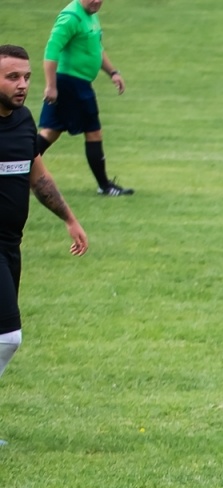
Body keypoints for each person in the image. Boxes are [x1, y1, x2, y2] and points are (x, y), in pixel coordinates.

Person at [0, 45, 89, 406]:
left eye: (26, 77)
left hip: (10, 246)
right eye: (12, 77)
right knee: (9, 337)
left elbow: (38, 176)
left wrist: (69, 218)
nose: (22, 85)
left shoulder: (23, 121)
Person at [38, 0, 131, 197]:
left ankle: (13, 172)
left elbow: (97, 47)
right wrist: (51, 85)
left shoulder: (90, 14)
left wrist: (113, 72)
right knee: (93, 132)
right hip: (70, 83)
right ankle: (104, 186)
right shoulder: (71, 17)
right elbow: (51, 50)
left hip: (77, 83)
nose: (97, 1)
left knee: (51, 132)